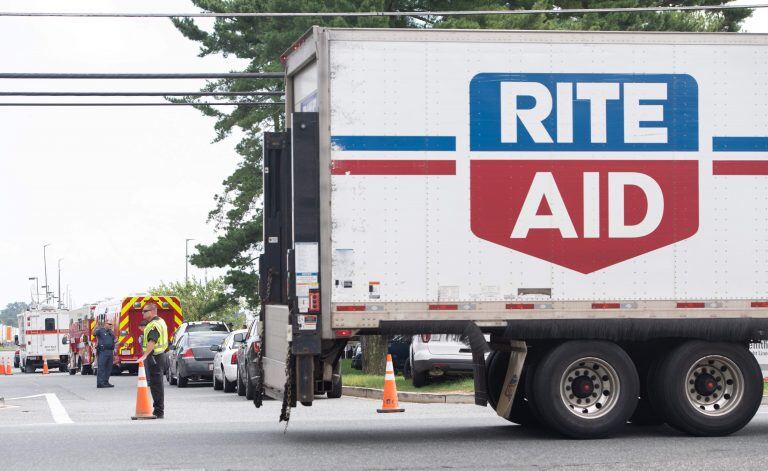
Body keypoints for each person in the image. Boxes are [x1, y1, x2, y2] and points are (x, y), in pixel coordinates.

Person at [137, 302, 169, 419]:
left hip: (154, 356)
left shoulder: (153, 325)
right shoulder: (161, 321)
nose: (142, 313)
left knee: (156, 385)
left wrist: (145, 355)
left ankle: (158, 411)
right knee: (157, 384)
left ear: (152, 311)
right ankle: (159, 410)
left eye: (145, 311)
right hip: (160, 356)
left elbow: (152, 341)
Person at [93, 320, 116, 388]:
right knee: (102, 367)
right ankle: (100, 383)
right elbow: (93, 334)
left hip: (110, 351)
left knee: (108, 367)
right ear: (105, 324)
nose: (110, 325)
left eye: (111, 324)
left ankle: (106, 382)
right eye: (109, 324)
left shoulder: (111, 332)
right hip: (103, 351)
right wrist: (95, 327)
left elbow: (114, 340)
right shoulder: (100, 330)